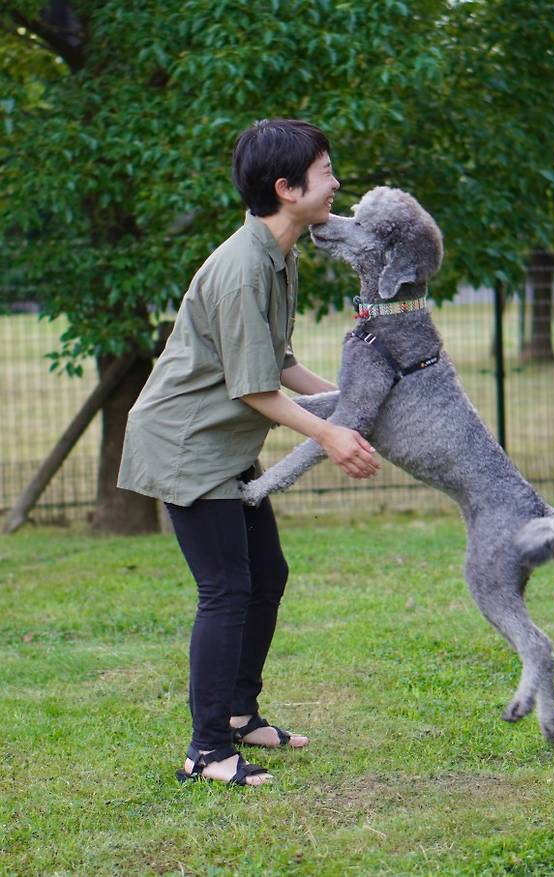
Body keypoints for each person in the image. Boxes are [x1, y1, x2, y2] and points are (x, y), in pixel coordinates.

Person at [117, 119, 379, 787]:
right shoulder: (241, 268)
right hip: (188, 445)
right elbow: (255, 388)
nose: (336, 183)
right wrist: (328, 433)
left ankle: (239, 714)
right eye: (326, 172)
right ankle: (206, 750)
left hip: (221, 441)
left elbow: (280, 363)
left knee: (267, 574)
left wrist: (350, 402)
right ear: (288, 188)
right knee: (227, 589)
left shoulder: (278, 254)